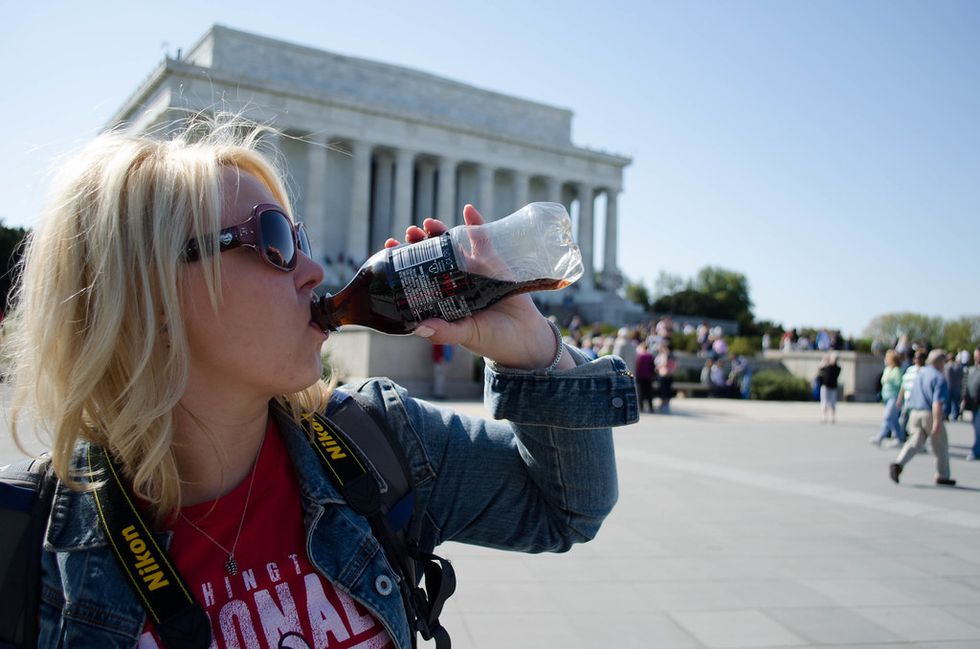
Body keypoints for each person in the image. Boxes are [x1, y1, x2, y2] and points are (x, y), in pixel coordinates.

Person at [3, 119, 637, 649]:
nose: (312, 269)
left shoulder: (380, 440)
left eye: (297, 234)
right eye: (273, 241)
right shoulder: (26, 547)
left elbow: (566, 512)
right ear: (150, 298)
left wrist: (537, 354)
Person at [889, 349, 955, 486]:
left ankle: (898, 464)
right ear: (941, 362)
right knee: (940, 445)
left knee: (915, 441)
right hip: (929, 413)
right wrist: (937, 421)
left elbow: (908, 389)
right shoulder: (938, 377)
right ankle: (942, 475)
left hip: (914, 412)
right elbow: (937, 402)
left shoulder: (920, 374)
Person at [870, 350, 906, 446]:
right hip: (886, 397)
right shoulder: (887, 369)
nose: (885, 360)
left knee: (887, 417)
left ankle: (880, 437)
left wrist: (900, 399)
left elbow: (902, 386)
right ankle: (900, 438)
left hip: (894, 398)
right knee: (894, 420)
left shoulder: (898, 371)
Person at [964, 347, 980, 462]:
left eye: (977, 355)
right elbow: (966, 385)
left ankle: (975, 451)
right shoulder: (972, 369)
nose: (975, 358)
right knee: (976, 428)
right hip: (974, 404)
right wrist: (964, 399)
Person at [817, 354, 841, 423]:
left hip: (833, 387)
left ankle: (833, 417)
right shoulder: (826, 366)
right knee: (824, 402)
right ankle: (824, 417)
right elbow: (819, 368)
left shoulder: (837, 368)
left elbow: (829, 368)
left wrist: (826, 362)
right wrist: (824, 361)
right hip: (825, 387)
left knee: (833, 403)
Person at [654, 341, 677, 413]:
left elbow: (664, 363)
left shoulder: (665, 354)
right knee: (668, 391)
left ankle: (664, 405)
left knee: (663, 391)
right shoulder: (672, 355)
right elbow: (675, 365)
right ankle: (666, 405)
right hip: (670, 375)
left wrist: (657, 367)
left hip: (663, 374)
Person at [634, 343, 655, 414]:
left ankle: (641, 407)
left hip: (640, 377)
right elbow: (652, 367)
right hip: (649, 377)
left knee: (640, 393)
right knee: (649, 393)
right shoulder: (650, 356)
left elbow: (637, 367)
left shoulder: (639, 356)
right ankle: (651, 407)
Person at [944, 352, 964, 421]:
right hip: (957, 387)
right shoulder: (958, 366)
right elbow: (962, 376)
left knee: (947, 402)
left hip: (948, 387)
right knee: (955, 403)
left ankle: (946, 414)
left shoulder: (946, 366)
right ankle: (955, 416)